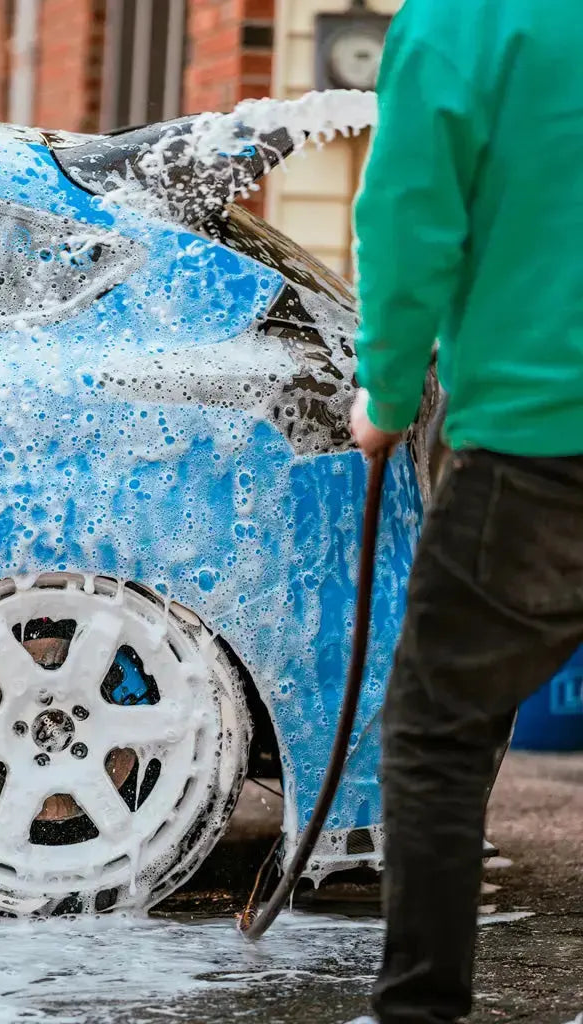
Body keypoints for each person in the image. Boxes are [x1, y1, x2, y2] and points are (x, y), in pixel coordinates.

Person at [347, 0, 583, 1020]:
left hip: (538, 442)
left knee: (438, 732)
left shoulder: (463, 23)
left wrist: (385, 395)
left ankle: (419, 1010)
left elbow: (408, 222)